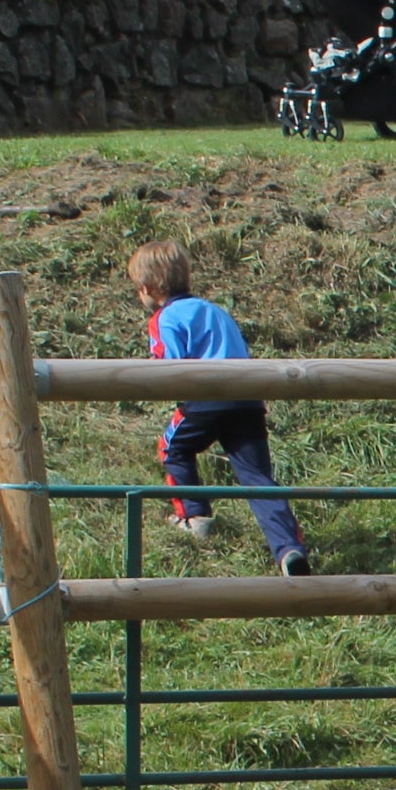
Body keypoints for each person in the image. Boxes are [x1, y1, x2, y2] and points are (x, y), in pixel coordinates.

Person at [130, 242, 310, 578]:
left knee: (173, 447)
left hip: (205, 399)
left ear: (149, 289)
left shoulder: (164, 318)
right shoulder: (215, 310)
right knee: (258, 479)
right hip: (247, 397)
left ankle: (193, 516)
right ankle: (289, 550)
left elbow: (167, 366)